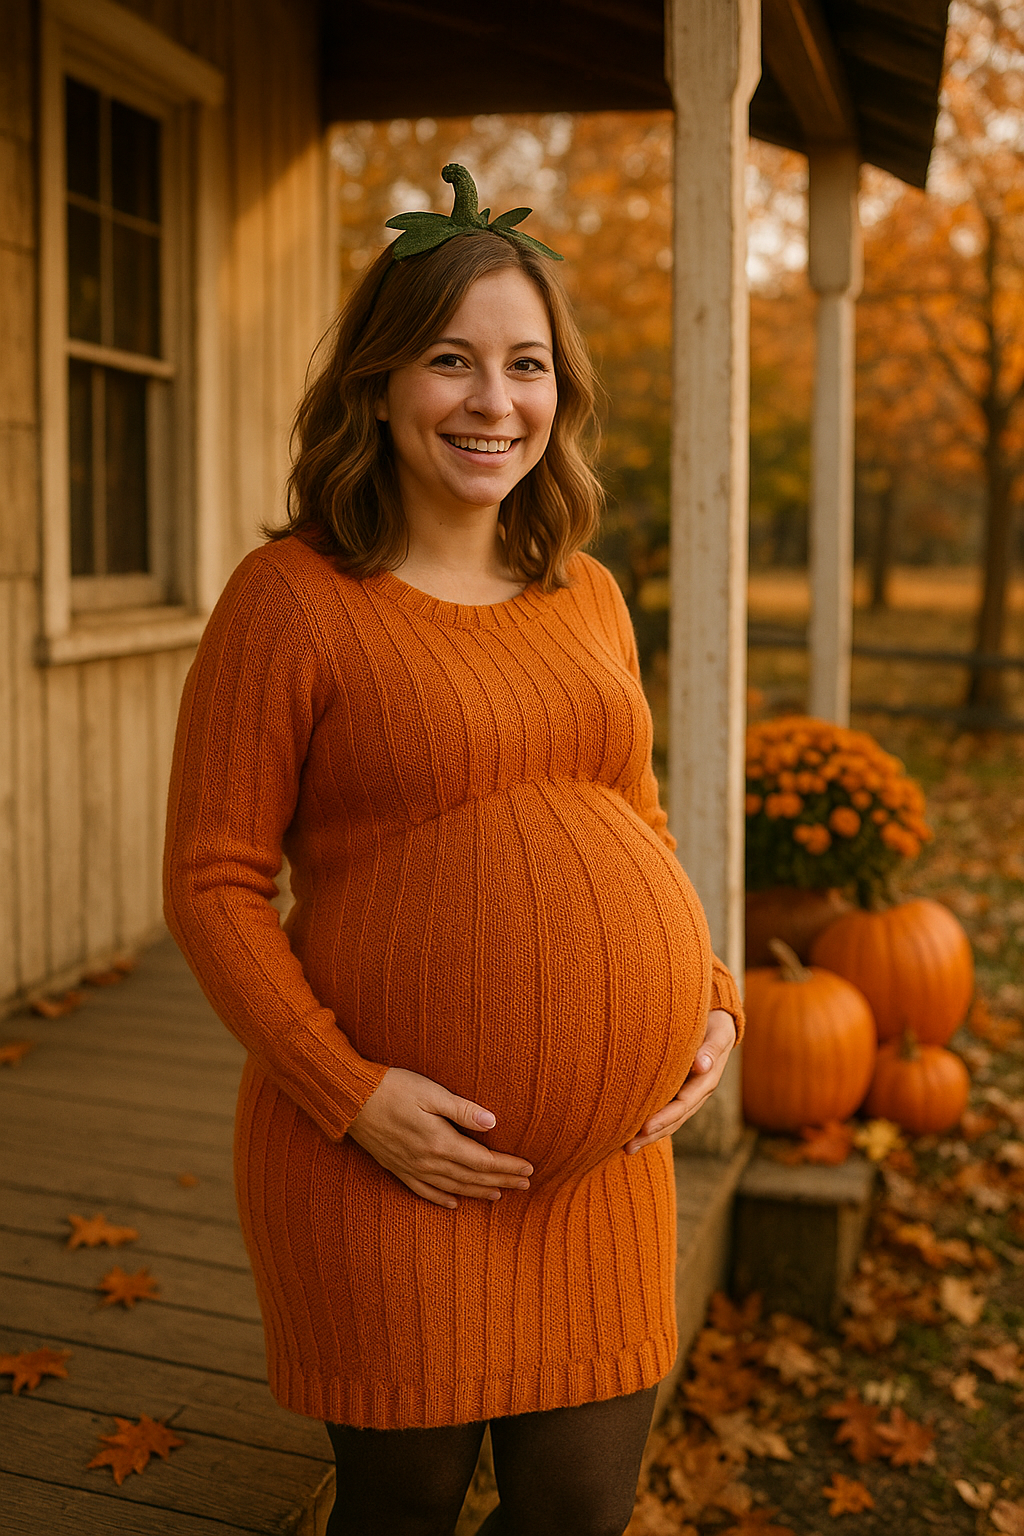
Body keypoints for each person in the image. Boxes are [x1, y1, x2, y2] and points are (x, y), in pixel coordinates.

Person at [164, 164, 743, 1536]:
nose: (496, 401)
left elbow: (635, 826)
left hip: (601, 1178)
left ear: (561, 394)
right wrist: (351, 1095)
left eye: (527, 365)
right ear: (377, 383)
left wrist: (712, 997)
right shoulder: (291, 601)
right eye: (452, 360)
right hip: (383, 1168)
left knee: (581, 1511)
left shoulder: (588, 595)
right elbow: (213, 881)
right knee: (401, 1514)